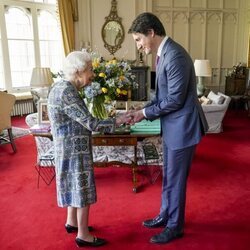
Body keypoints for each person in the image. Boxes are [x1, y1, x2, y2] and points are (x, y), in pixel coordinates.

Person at [128, 12, 208, 244]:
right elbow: (160, 95)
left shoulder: (175, 56)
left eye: (138, 40)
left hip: (183, 128)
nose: (139, 46)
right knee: (169, 178)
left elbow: (174, 100)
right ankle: (165, 215)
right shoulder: (163, 54)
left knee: (175, 180)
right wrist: (141, 110)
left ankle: (175, 226)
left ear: (151, 33)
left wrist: (143, 113)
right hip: (173, 127)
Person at [47, 51, 128, 248]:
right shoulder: (67, 91)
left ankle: (71, 222)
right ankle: (83, 235)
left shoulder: (60, 87)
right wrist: (118, 120)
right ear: (77, 71)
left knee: (73, 183)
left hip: (66, 147)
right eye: (90, 69)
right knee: (81, 187)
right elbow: (91, 123)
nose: (92, 73)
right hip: (75, 150)